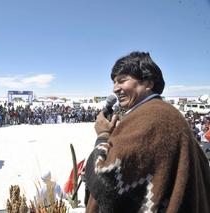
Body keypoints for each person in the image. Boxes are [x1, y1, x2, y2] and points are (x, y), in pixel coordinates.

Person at [84, 51, 210, 212]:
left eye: (122, 80)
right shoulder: (162, 113)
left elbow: (105, 179)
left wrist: (102, 136)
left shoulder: (154, 118)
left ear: (148, 83)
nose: (115, 88)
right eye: (114, 82)